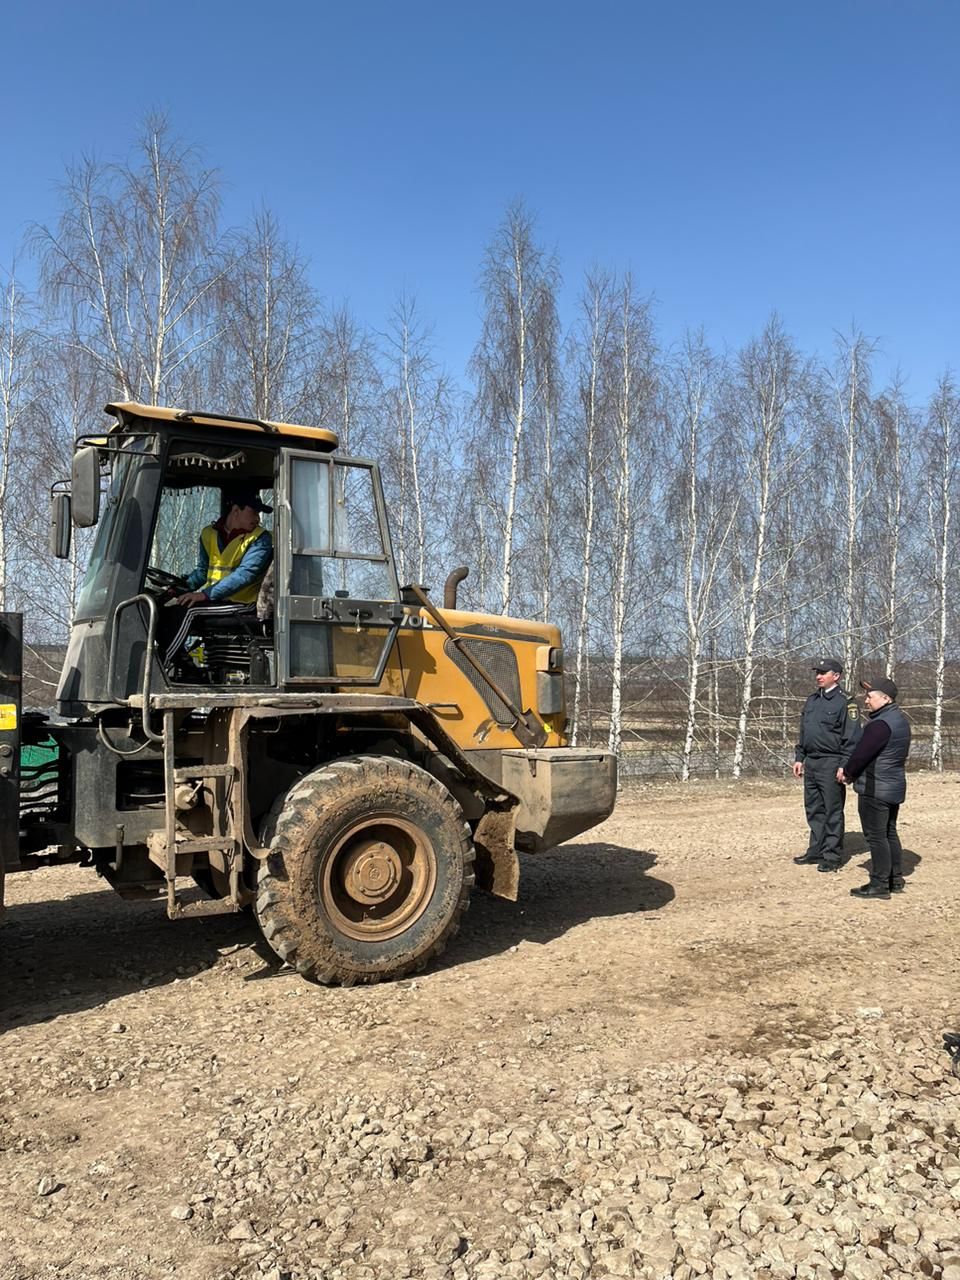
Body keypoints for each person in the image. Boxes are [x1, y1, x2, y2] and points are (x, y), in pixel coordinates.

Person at [162, 489, 274, 669]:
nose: (258, 519)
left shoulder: (260, 538)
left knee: (188, 612)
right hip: (216, 600)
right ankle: (185, 665)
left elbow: (245, 574)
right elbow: (202, 572)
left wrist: (204, 595)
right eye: (253, 512)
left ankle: (161, 667)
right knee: (165, 611)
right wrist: (178, 589)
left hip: (243, 602)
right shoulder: (209, 534)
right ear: (236, 510)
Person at [837, 676, 911, 900]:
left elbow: (862, 755)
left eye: (870, 696)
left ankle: (879, 884)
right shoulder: (899, 720)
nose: (866, 701)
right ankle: (894, 879)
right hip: (892, 785)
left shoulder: (879, 725)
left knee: (876, 836)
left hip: (876, 787)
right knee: (889, 832)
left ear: (886, 698)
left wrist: (847, 773)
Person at [792, 658, 861, 872]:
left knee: (832, 810)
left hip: (832, 762)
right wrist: (799, 757)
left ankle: (832, 855)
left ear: (836, 676)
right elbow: (805, 731)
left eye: (823, 673)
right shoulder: (812, 700)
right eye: (817, 673)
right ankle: (816, 851)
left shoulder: (845, 702)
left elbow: (851, 738)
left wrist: (844, 766)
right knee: (813, 809)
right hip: (811, 761)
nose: (818, 676)